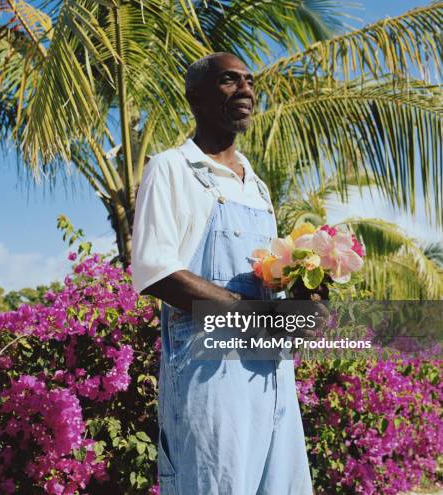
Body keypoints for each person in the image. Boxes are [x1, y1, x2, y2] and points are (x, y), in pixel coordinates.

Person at [131, 52, 313, 495]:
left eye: (249, 81)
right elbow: (156, 271)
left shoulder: (256, 184)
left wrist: (302, 304)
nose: (246, 91)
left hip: (272, 378)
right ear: (194, 97)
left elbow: (269, 280)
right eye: (230, 81)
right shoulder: (172, 169)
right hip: (210, 381)